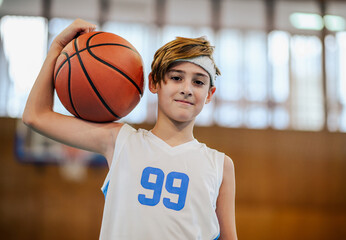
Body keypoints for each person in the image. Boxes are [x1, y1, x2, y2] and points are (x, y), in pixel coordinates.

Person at [23, 19, 237, 239]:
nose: (186, 89)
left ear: (210, 94)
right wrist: (56, 48)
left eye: (198, 82)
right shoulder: (120, 141)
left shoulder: (220, 165)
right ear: (153, 83)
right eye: (176, 78)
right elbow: (35, 116)